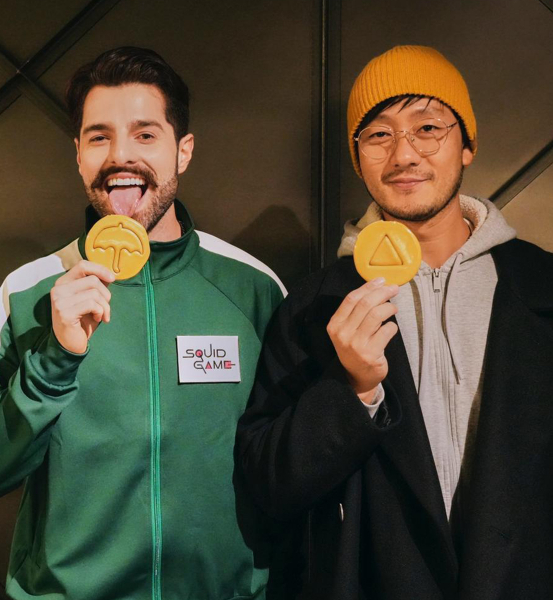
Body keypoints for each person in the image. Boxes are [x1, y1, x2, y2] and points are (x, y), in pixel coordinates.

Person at [0, 46, 286, 600]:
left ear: (183, 151)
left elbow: (294, 464)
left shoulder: (253, 288)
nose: (121, 156)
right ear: (79, 155)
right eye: (99, 137)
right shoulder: (29, 290)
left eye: (145, 134)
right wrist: (53, 360)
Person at [237, 45, 553, 599]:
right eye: (379, 135)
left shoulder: (540, 285)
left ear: (468, 144)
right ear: (358, 157)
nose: (404, 154)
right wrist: (351, 391)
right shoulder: (313, 306)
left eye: (428, 128)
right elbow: (266, 487)